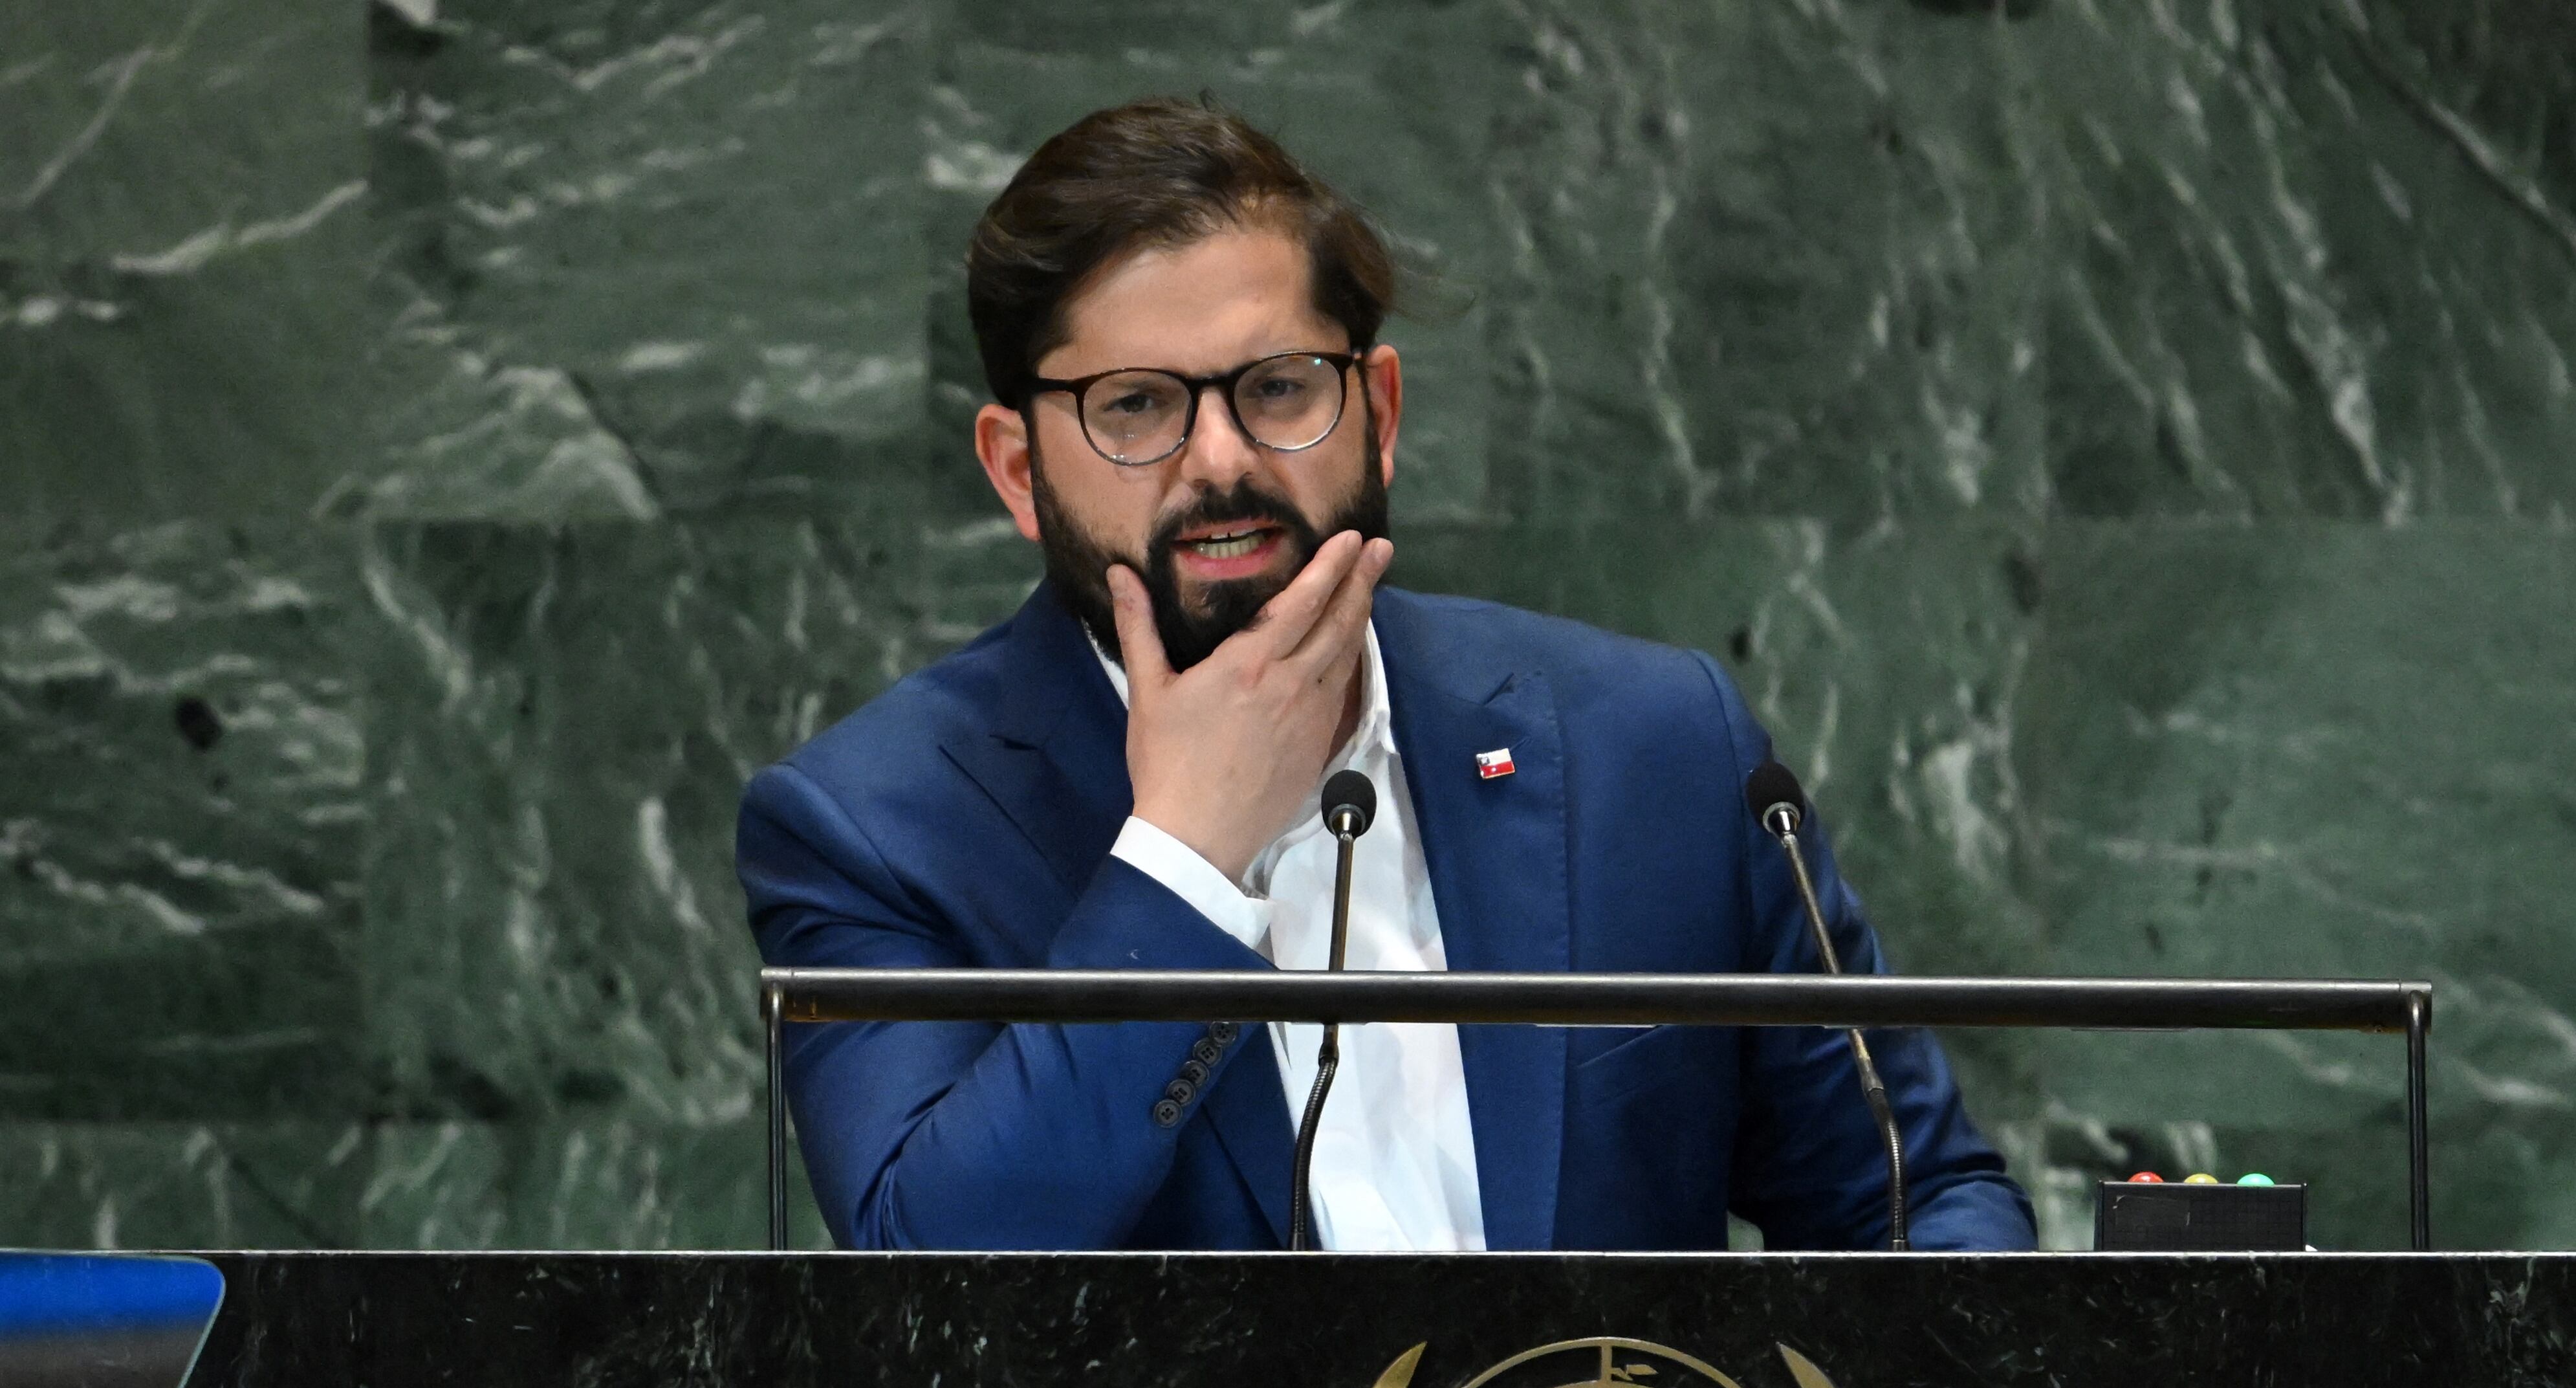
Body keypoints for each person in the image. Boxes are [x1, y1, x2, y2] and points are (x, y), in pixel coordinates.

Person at [736, 97, 2033, 1253]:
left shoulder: (1652, 744)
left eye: (1278, 387)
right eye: (1135, 406)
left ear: (1382, 414)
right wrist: (1185, 860)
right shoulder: (875, 830)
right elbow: (931, 1279)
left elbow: (1913, 1206)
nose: (1220, 459)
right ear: (1019, 472)